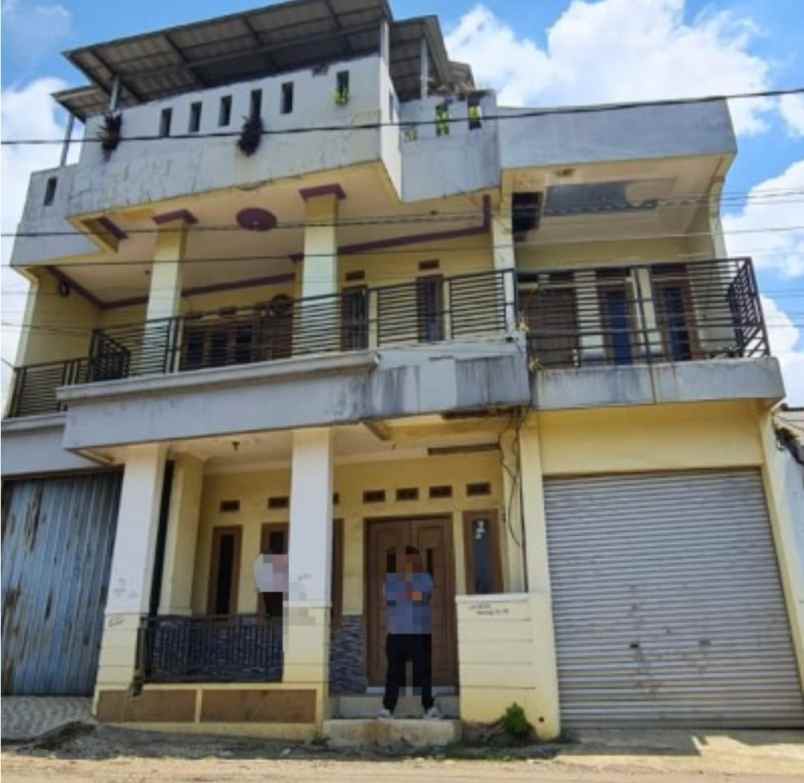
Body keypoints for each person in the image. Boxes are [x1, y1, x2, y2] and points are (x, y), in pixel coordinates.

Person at [378, 545, 441, 719]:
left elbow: (421, 598)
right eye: (407, 560)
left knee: (423, 671)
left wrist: (408, 584)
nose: (410, 563)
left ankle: (429, 707)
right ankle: (387, 708)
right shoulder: (391, 580)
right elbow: (389, 599)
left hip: (420, 633)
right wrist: (404, 585)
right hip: (396, 632)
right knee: (393, 672)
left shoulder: (426, 579)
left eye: (413, 559)